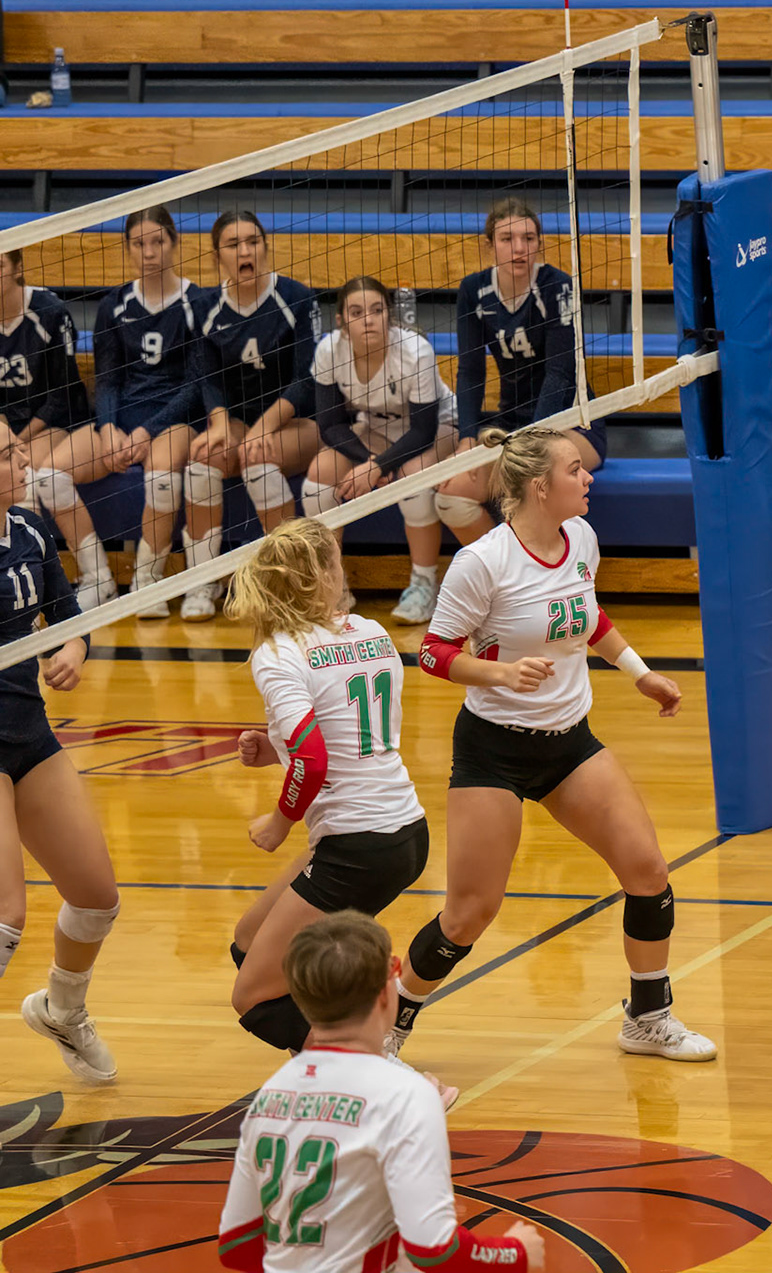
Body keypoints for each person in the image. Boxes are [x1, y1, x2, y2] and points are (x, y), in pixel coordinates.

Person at [397, 426, 713, 1062]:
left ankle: (648, 1020)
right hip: (494, 750)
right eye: (575, 470)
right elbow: (433, 652)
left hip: (570, 743)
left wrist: (638, 672)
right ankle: (387, 1028)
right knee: (469, 913)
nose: (588, 477)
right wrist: (500, 674)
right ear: (540, 487)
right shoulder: (483, 562)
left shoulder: (582, 539)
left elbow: (587, 615)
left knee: (648, 872)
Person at [216, 912, 545, 1272]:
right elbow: (435, 1251)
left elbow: (236, 1247)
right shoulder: (407, 1095)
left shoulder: (270, 1095)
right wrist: (517, 1252)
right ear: (392, 977)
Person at [222, 517, 430, 1057]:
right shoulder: (372, 632)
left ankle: (375, 1067)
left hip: (358, 845)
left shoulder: (278, 652)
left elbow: (313, 761)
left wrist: (278, 823)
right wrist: (277, 748)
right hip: (404, 830)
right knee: (250, 943)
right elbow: (353, 736)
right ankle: (323, 1058)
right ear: (324, 577)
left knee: (252, 997)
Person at [0, 424, 121, 1084]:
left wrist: (71, 647)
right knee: (6, 916)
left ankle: (62, 1011)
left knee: (96, 898)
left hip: (29, 734)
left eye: (19, 447)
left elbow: (68, 615)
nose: (23, 459)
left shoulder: (29, 528)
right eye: (7, 454)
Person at [437, 198, 603, 547]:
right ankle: (504, 569)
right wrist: (467, 439)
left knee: (538, 481)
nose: (519, 248)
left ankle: (546, 572)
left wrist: (528, 444)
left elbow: (560, 373)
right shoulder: (474, 291)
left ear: (539, 243)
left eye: (528, 238)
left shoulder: (558, 287)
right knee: (451, 494)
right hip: (511, 421)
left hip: (571, 422)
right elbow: (470, 371)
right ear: (489, 245)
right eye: (507, 239)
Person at [183, 211, 321, 621]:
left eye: (253, 241)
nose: (245, 251)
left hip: (299, 423)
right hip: (238, 421)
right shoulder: (206, 307)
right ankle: (202, 580)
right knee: (201, 461)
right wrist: (219, 423)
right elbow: (207, 378)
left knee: (258, 460)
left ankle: (292, 582)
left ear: (264, 247)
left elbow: (306, 380)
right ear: (217, 256)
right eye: (234, 244)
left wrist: (263, 429)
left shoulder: (296, 299)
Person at [300, 277, 456, 621]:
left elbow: (423, 431)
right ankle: (333, 586)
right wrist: (371, 462)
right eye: (357, 312)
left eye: (377, 310)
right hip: (376, 429)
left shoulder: (415, 351)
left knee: (412, 478)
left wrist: (377, 467)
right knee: (318, 478)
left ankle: (424, 585)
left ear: (389, 315)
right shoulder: (329, 351)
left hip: (439, 427)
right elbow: (330, 425)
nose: (368, 319)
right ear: (341, 321)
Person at [93, 207, 202, 619]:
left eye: (158, 241)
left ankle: (147, 582)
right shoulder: (114, 305)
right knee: (48, 475)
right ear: (128, 248)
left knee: (161, 475)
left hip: (176, 418)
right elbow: (107, 379)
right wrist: (108, 427)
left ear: (174, 243)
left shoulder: (197, 303)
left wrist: (147, 430)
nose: (150, 252)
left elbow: (196, 386)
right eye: (139, 244)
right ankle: (96, 579)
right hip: (124, 415)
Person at [0, 250, 112, 610]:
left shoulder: (49, 311)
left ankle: (89, 581)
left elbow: (61, 396)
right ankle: (22, 589)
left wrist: (14, 441)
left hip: (59, 420)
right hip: (9, 428)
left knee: (28, 479)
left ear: (18, 268)